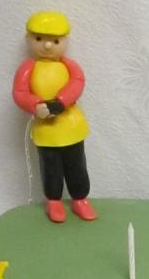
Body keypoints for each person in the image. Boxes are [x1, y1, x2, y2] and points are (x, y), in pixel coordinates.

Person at [13, 11, 97, 222]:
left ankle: (80, 199)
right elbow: (20, 93)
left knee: (77, 166)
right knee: (51, 168)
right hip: (46, 130)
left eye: (55, 41)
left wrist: (60, 102)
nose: (48, 46)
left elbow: (77, 83)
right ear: (28, 39)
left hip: (71, 126)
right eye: (39, 39)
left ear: (65, 41)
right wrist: (35, 105)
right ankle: (54, 201)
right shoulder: (28, 68)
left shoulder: (69, 66)